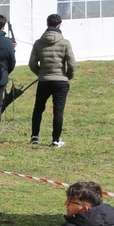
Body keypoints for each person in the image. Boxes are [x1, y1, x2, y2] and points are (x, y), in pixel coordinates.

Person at [28, 13, 76, 147]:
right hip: (60, 81)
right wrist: (68, 76)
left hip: (44, 80)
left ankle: (35, 135)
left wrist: (41, 73)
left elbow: (32, 63)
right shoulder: (65, 43)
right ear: (59, 25)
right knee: (58, 110)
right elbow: (72, 63)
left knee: (38, 108)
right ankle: (55, 139)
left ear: (47, 24)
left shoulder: (38, 43)